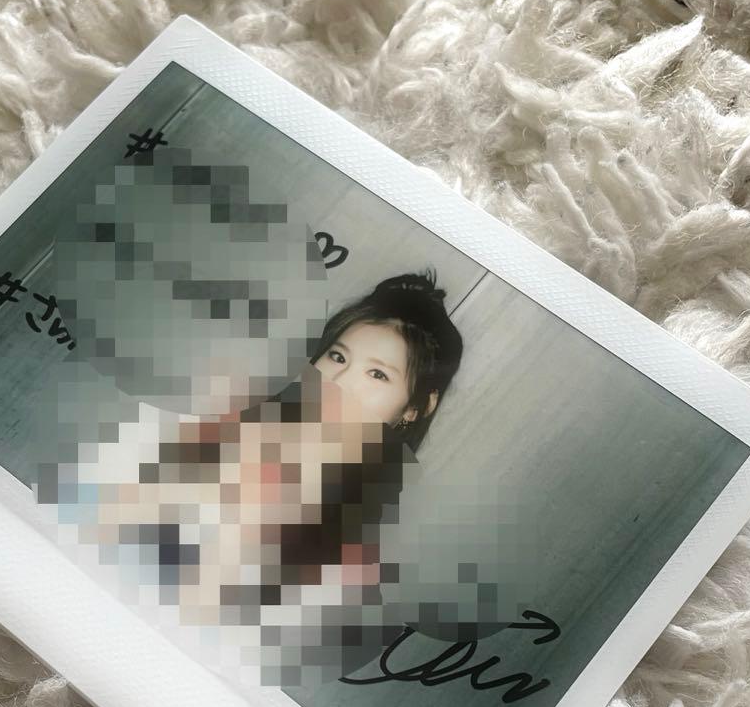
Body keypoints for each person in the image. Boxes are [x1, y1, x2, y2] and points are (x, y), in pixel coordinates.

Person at [76, 269, 464, 632]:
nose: (339, 382)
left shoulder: (370, 533)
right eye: (338, 357)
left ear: (416, 406)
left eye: (377, 374)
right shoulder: (221, 416)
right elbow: (97, 516)